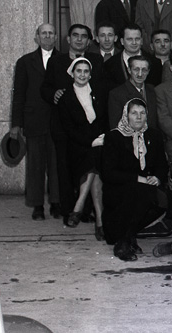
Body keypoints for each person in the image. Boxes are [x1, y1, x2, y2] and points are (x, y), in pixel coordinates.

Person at [40, 24, 104, 225]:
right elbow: (45, 87)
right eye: (75, 35)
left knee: (90, 165)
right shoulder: (56, 61)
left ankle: (85, 210)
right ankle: (69, 210)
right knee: (65, 170)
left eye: (84, 36)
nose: (79, 39)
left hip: (89, 126)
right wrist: (54, 94)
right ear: (68, 39)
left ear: (89, 41)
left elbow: (100, 89)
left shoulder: (96, 61)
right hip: (63, 127)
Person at [102, 98, 172, 261]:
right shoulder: (114, 137)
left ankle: (128, 236)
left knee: (167, 200)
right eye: (134, 113)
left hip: (147, 187)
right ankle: (124, 242)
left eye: (142, 113)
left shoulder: (154, 135)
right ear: (126, 115)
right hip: (120, 188)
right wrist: (137, 179)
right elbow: (109, 173)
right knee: (140, 193)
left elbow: (162, 165)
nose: (139, 117)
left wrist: (157, 177)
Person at [10, 23, 60, 220]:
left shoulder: (64, 60)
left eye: (50, 33)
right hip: (33, 120)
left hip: (57, 121)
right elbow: (19, 94)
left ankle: (56, 203)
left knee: (56, 165)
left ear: (56, 37)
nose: (47, 36)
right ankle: (37, 205)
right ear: (37, 37)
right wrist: (16, 124)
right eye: (43, 33)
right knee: (35, 165)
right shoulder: (25, 62)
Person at [57, 58, 108, 240]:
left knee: (96, 159)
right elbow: (69, 129)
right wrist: (91, 142)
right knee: (94, 162)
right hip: (77, 147)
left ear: (90, 75)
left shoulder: (97, 93)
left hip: (98, 143)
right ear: (72, 73)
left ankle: (78, 207)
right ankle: (100, 221)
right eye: (79, 71)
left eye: (86, 71)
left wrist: (101, 137)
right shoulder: (65, 98)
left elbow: (103, 120)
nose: (82, 74)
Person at [108, 54, 158, 131]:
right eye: (136, 69)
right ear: (129, 70)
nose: (140, 74)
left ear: (148, 71)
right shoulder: (116, 94)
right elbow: (116, 126)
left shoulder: (153, 90)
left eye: (144, 70)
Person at [104, 24, 151, 89]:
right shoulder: (110, 64)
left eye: (137, 39)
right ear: (122, 41)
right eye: (129, 39)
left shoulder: (154, 62)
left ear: (142, 41)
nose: (134, 43)